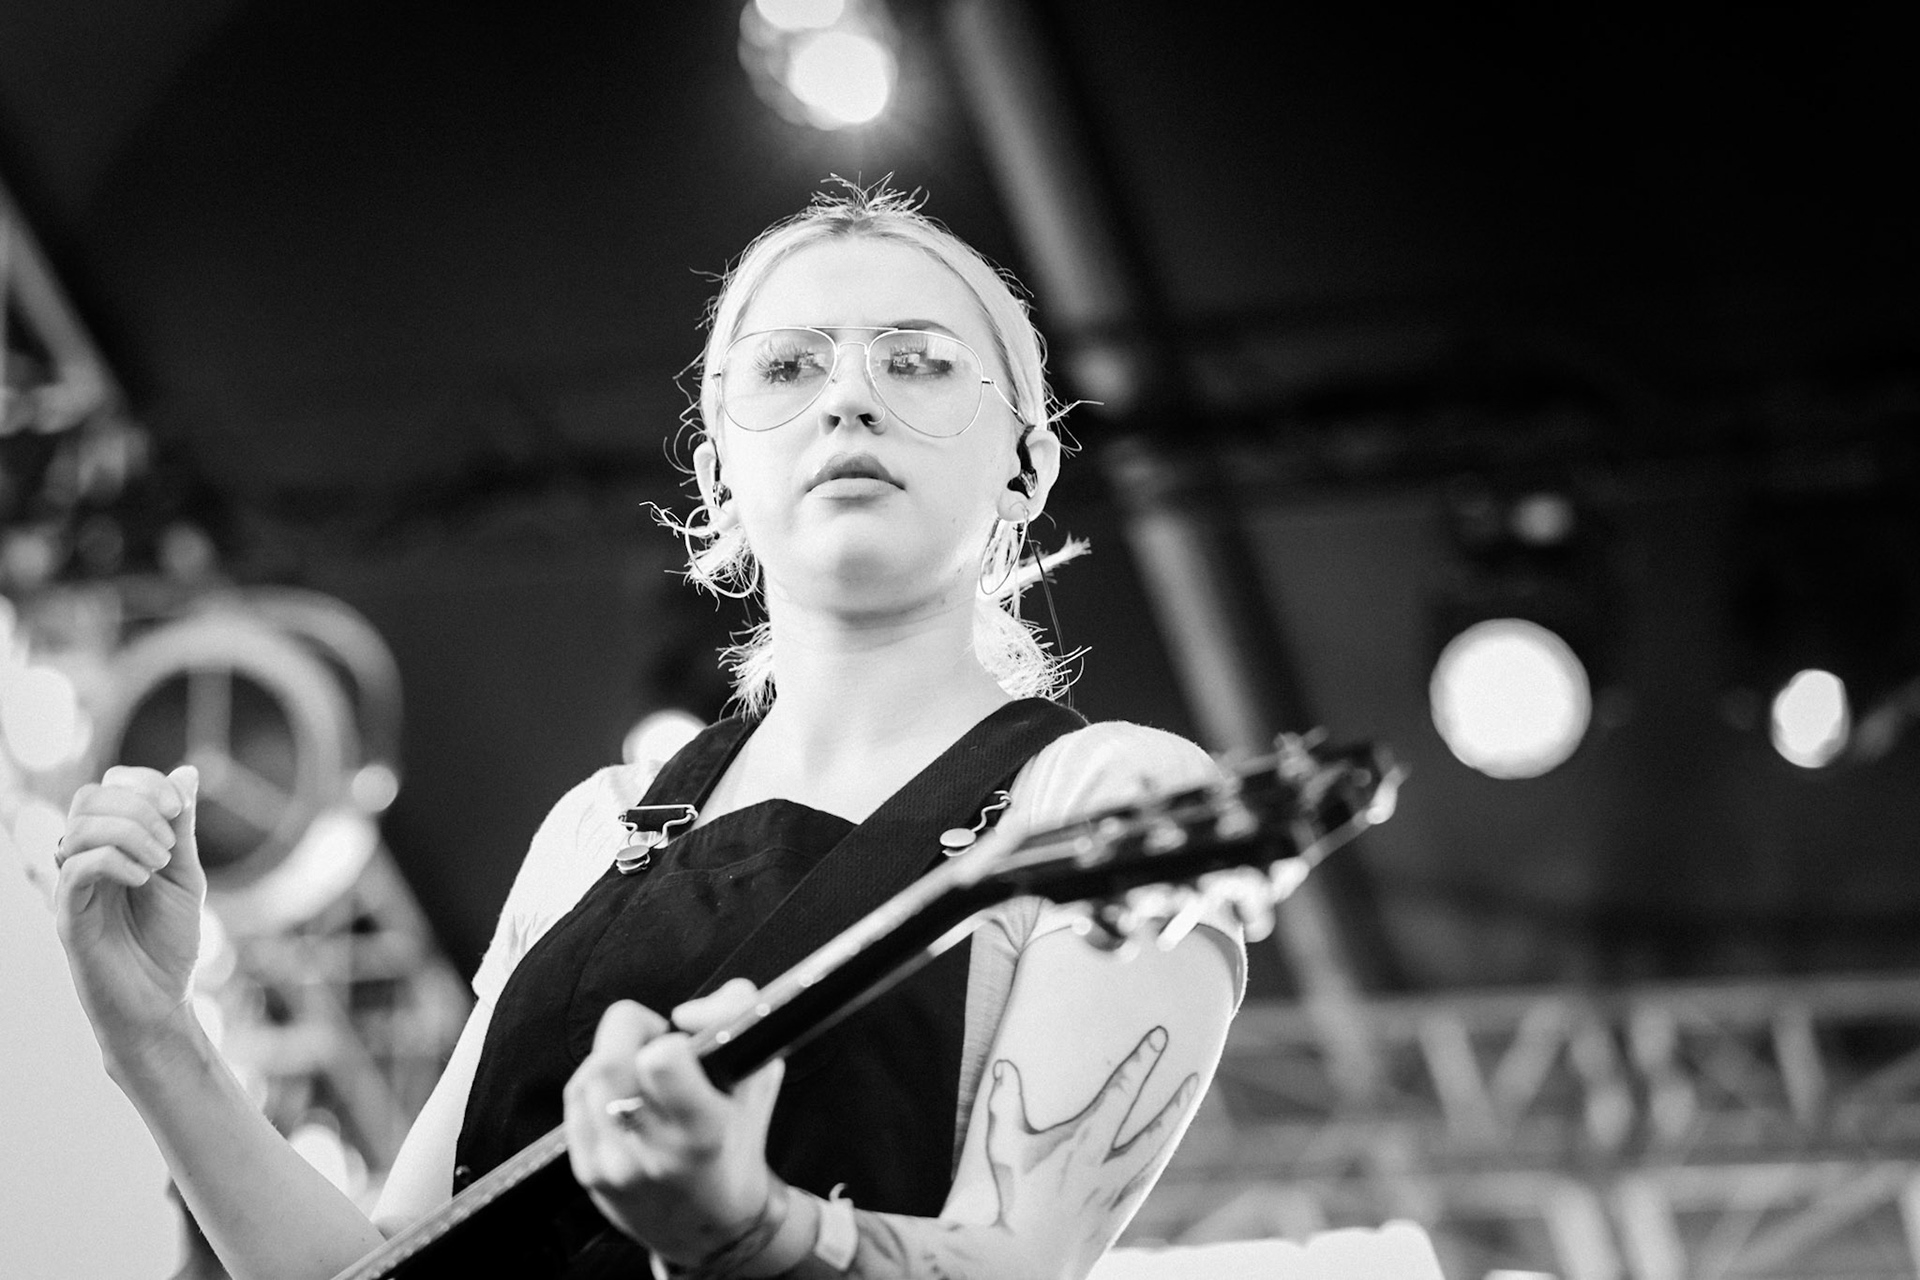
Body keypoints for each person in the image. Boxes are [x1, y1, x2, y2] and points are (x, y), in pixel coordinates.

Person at [54, 184, 1245, 1280]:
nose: (849, 395)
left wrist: (750, 1227)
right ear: (719, 474)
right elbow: (379, 1273)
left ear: (1029, 466)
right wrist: (152, 1031)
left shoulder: (1105, 798)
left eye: (920, 361)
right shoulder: (597, 824)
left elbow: (1020, 1261)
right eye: (785, 368)